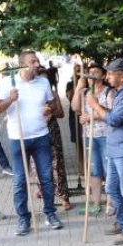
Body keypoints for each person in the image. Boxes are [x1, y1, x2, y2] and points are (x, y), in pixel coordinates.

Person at [0, 50, 63, 236]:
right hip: (18, 138)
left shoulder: (43, 82)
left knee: (46, 177)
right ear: (22, 64)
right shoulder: (8, 82)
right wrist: (10, 99)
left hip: (41, 136)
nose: (37, 63)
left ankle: (50, 213)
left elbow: (53, 105)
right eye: (33, 61)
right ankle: (23, 218)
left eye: (37, 60)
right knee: (19, 180)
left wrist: (49, 109)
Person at [86, 58, 123, 245]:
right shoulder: (121, 91)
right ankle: (121, 221)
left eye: (111, 74)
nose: (108, 76)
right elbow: (110, 115)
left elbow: (114, 119)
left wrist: (94, 105)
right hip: (115, 147)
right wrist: (97, 106)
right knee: (112, 188)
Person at [72, 63, 115, 215]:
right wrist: (78, 87)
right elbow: (75, 108)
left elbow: (112, 113)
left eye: (96, 72)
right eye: (89, 73)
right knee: (94, 170)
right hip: (89, 136)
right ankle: (96, 203)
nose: (92, 75)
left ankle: (111, 203)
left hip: (106, 136)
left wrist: (92, 116)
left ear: (103, 76)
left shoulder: (109, 92)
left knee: (108, 169)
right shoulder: (85, 92)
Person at [30, 67, 71, 210]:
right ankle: (45, 194)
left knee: (57, 164)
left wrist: (51, 110)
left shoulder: (53, 94)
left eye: (46, 78)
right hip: (34, 131)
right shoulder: (30, 94)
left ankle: (64, 196)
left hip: (52, 131)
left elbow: (61, 114)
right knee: (38, 166)